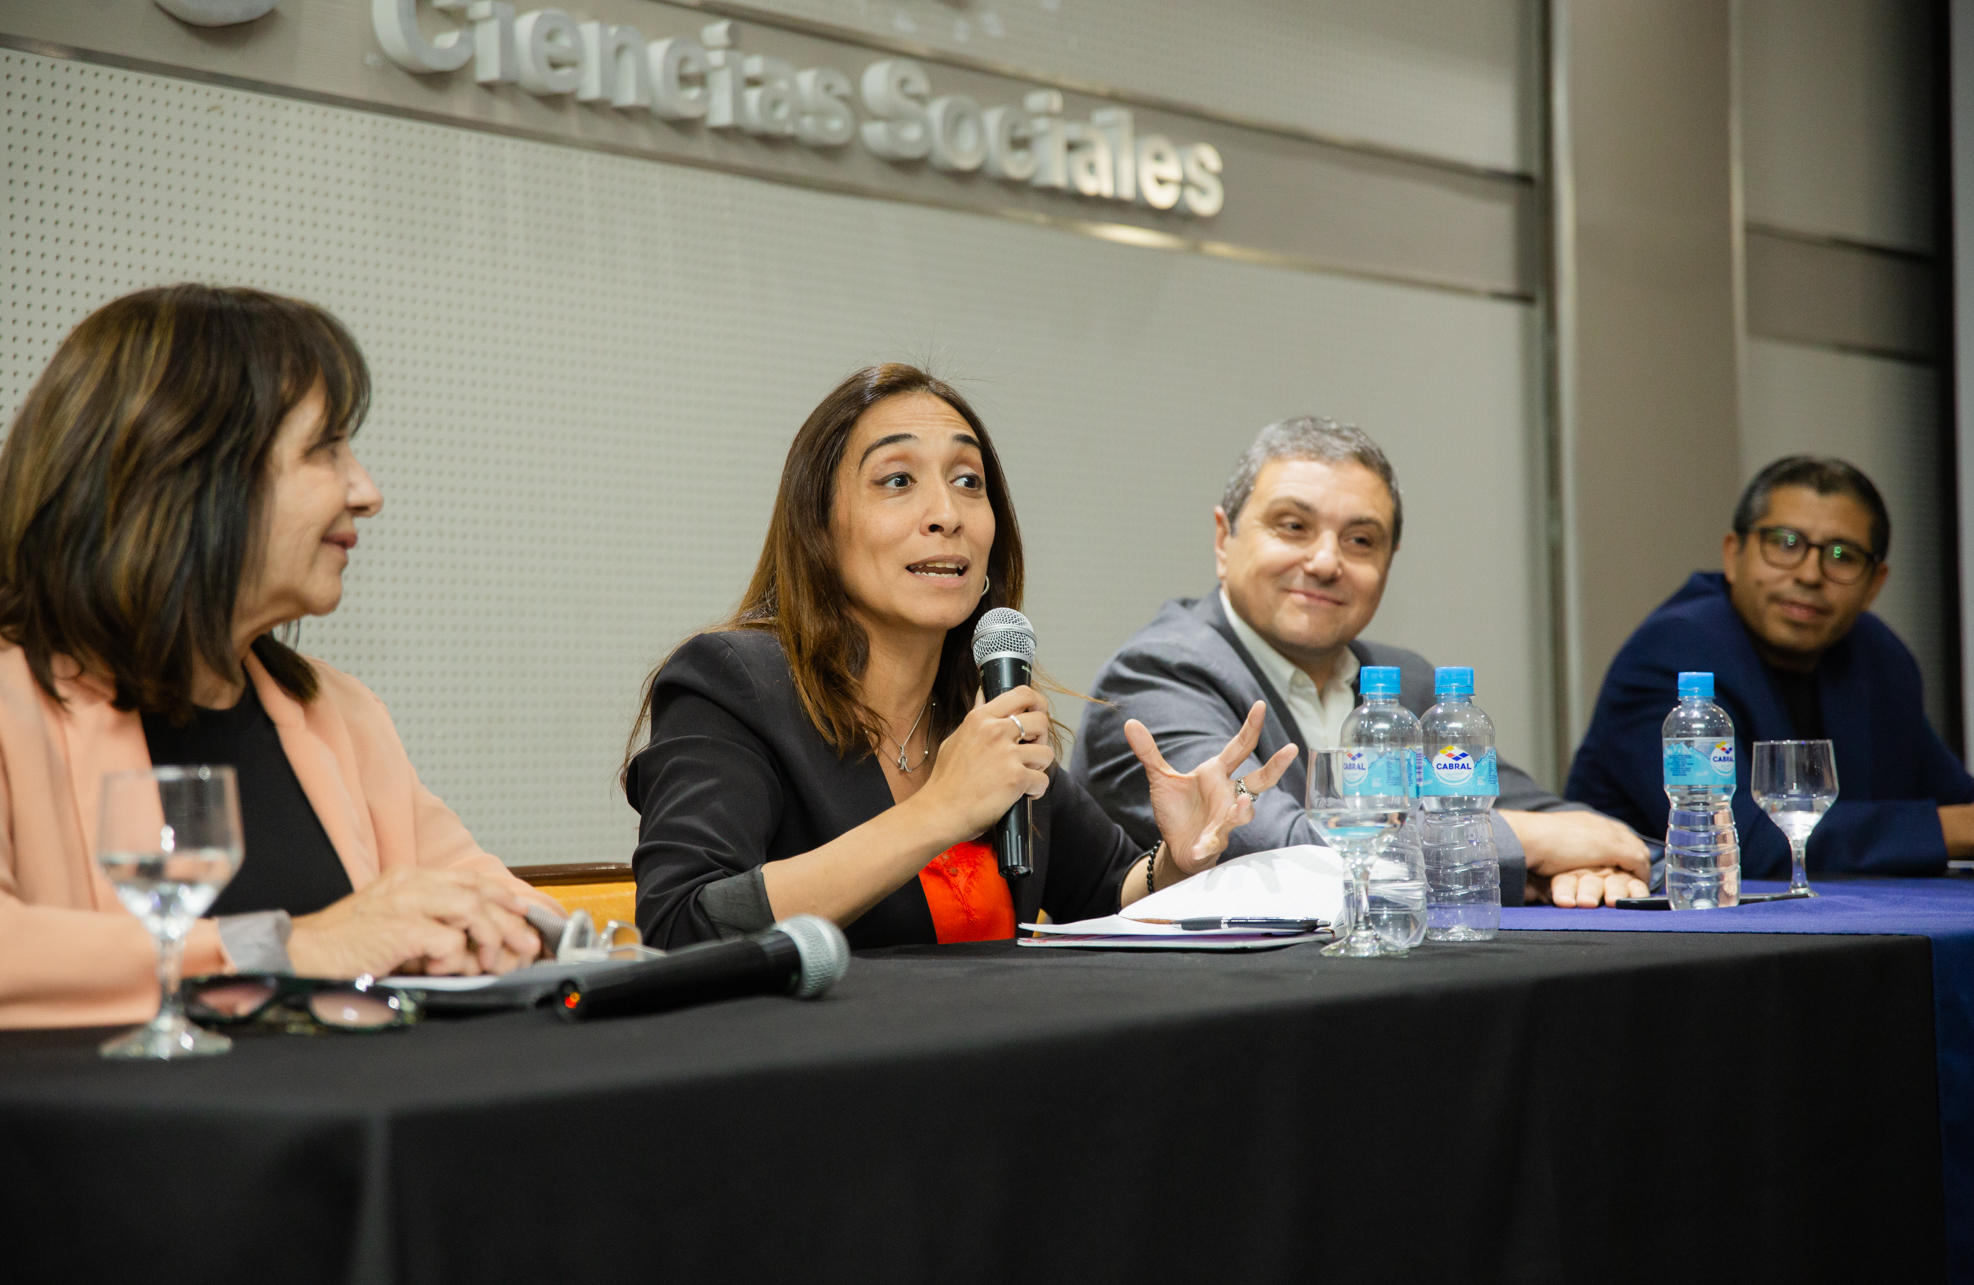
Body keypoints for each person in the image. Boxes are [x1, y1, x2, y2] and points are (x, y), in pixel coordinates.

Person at [0, 284, 557, 1029]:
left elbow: (486, 892)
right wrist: (290, 945)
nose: (368, 491)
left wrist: (513, 933)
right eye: (325, 448)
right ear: (189, 471)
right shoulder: (13, 706)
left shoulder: (340, 712)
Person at [624, 364, 1293, 950]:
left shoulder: (982, 709)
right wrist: (939, 810)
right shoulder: (733, 683)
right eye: (897, 480)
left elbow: (1104, 891)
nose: (947, 513)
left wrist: (1175, 860)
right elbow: (682, 924)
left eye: (969, 481)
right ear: (820, 528)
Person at [1072, 417, 1654, 908]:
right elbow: (1273, 855)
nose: (1326, 562)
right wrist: (1525, 846)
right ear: (1224, 540)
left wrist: (1595, 865)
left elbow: (1559, 820)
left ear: (1389, 562)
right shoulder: (1156, 675)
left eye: (1360, 541)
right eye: (1293, 526)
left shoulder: (1408, 684)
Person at [1565, 455, 1974, 876]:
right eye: (1786, 544)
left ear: (1874, 585)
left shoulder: (1877, 655)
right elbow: (1738, 843)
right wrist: (1965, 832)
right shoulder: (1673, 651)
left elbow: (1966, 804)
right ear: (1732, 555)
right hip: (1665, 913)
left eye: (1842, 555)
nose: (1810, 574)